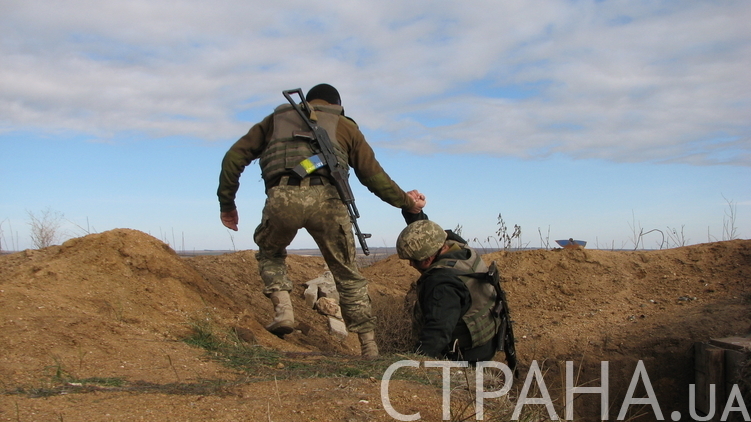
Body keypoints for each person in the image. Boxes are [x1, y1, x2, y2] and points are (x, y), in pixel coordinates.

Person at [217, 83, 425, 358]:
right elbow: (374, 177)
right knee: (347, 274)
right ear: (336, 104)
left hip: (282, 199)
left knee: (270, 253)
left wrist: (227, 204)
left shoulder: (274, 120)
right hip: (329, 202)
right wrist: (408, 202)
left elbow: (234, 157)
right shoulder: (345, 126)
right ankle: (369, 347)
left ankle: (283, 313)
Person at [396, 213, 502, 363]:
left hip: (466, 357)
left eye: (414, 260)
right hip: (488, 340)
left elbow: (437, 333)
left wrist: (412, 364)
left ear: (428, 259)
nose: (411, 265)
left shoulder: (442, 283)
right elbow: (429, 234)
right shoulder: (458, 246)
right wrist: (414, 213)